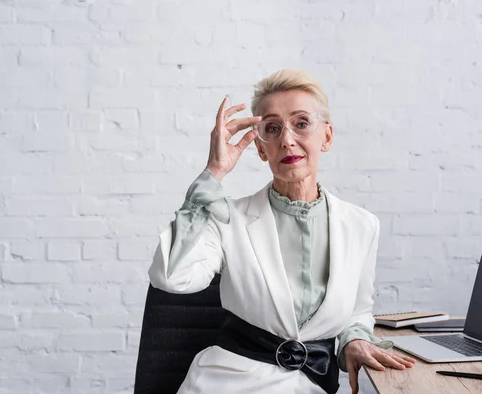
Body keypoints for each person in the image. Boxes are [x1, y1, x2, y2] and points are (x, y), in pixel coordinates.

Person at [148, 69, 415, 394]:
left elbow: (357, 310)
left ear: (327, 137)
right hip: (229, 383)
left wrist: (355, 340)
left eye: (301, 123)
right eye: (272, 128)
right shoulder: (227, 217)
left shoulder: (361, 225)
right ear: (261, 149)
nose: (287, 139)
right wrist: (214, 173)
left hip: (313, 384)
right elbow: (170, 276)